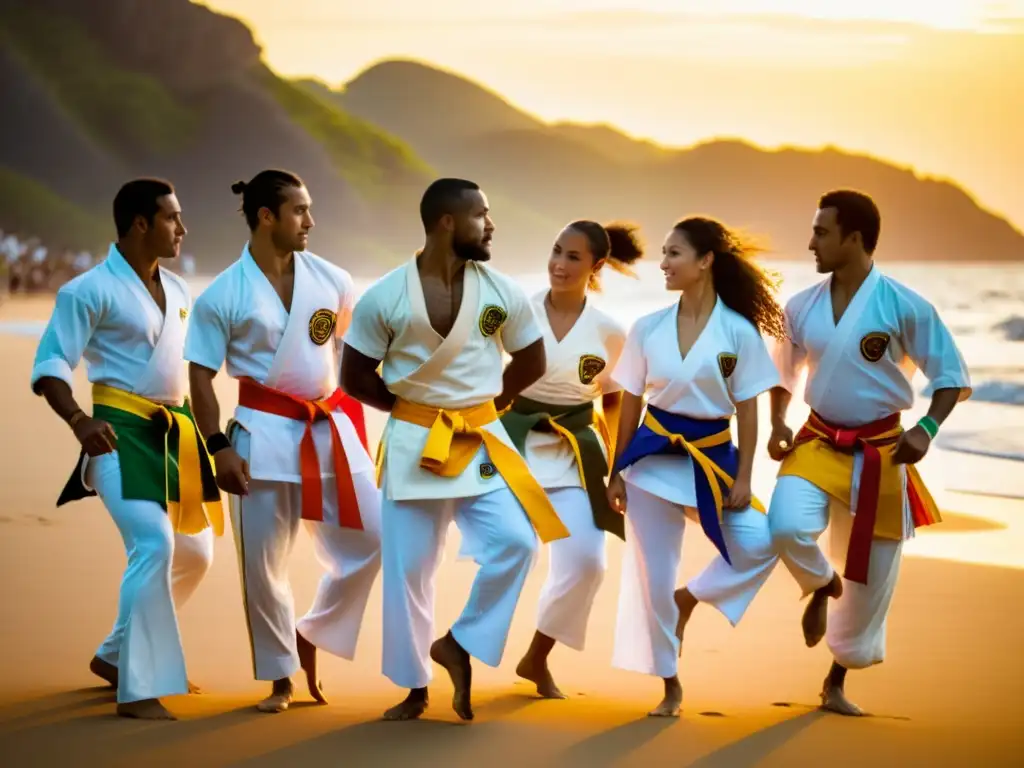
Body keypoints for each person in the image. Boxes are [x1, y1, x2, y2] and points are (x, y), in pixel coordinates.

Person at [341, 177, 570, 722]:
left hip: (477, 438)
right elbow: (353, 376)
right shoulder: (386, 296)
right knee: (408, 570)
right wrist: (408, 412)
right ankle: (414, 689)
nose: (490, 224)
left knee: (516, 542)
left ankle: (459, 642)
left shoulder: (501, 290)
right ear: (447, 222)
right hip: (413, 445)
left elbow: (532, 361)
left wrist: (489, 406)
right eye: (481, 215)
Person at [766, 189, 971, 716]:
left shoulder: (904, 306)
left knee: (871, 580)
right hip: (817, 441)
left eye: (821, 232)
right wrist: (775, 424)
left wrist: (925, 428)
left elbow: (950, 376)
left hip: (882, 451)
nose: (810, 242)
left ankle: (834, 682)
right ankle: (821, 580)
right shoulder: (801, 305)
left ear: (853, 238)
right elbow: (783, 372)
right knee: (786, 525)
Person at [184, 170, 382, 714]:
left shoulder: (333, 279)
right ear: (266, 216)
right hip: (261, 436)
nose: (310, 222)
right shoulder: (223, 294)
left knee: (376, 538)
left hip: (328, 430)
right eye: (299, 210)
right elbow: (199, 378)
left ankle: (312, 631)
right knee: (262, 566)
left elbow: (359, 346)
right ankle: (280, 678)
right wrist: (218, 445)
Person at [30, 178, 221, 720]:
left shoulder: (181, 292)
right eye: (172, 219)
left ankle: (116, 654)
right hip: (115, 432)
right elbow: (50, 365)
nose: (182, 229)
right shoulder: (86, 290)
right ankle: (138, 687)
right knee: (154, 545)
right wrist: (77, 419)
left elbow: (192, 366)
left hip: (173, 435)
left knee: (195, 553)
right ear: (141, 223)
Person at [607, 216, 786, 717]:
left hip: (712, 460)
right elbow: (629, 401)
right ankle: (670, 685)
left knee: (761, 541)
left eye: (674, 254)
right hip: (650, 462)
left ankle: (693, 597)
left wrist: (747, 477)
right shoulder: (647, 328)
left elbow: (749, 407)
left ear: (705, 261)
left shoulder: (738, 331)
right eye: (662, 254)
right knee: (652, 578)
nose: (662, 264)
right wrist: (615, 472)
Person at [505, 220, 642, 699]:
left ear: (596, 266)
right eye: (556, 251)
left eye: (574, 257)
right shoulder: (513, 311)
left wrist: (619, 470)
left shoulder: (610, 332)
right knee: (505, 550)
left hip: (574, 452)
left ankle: (537, 656)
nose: (560, 265)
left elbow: (615, 402)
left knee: (587, 563)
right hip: (511, 444)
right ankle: (459, 646)